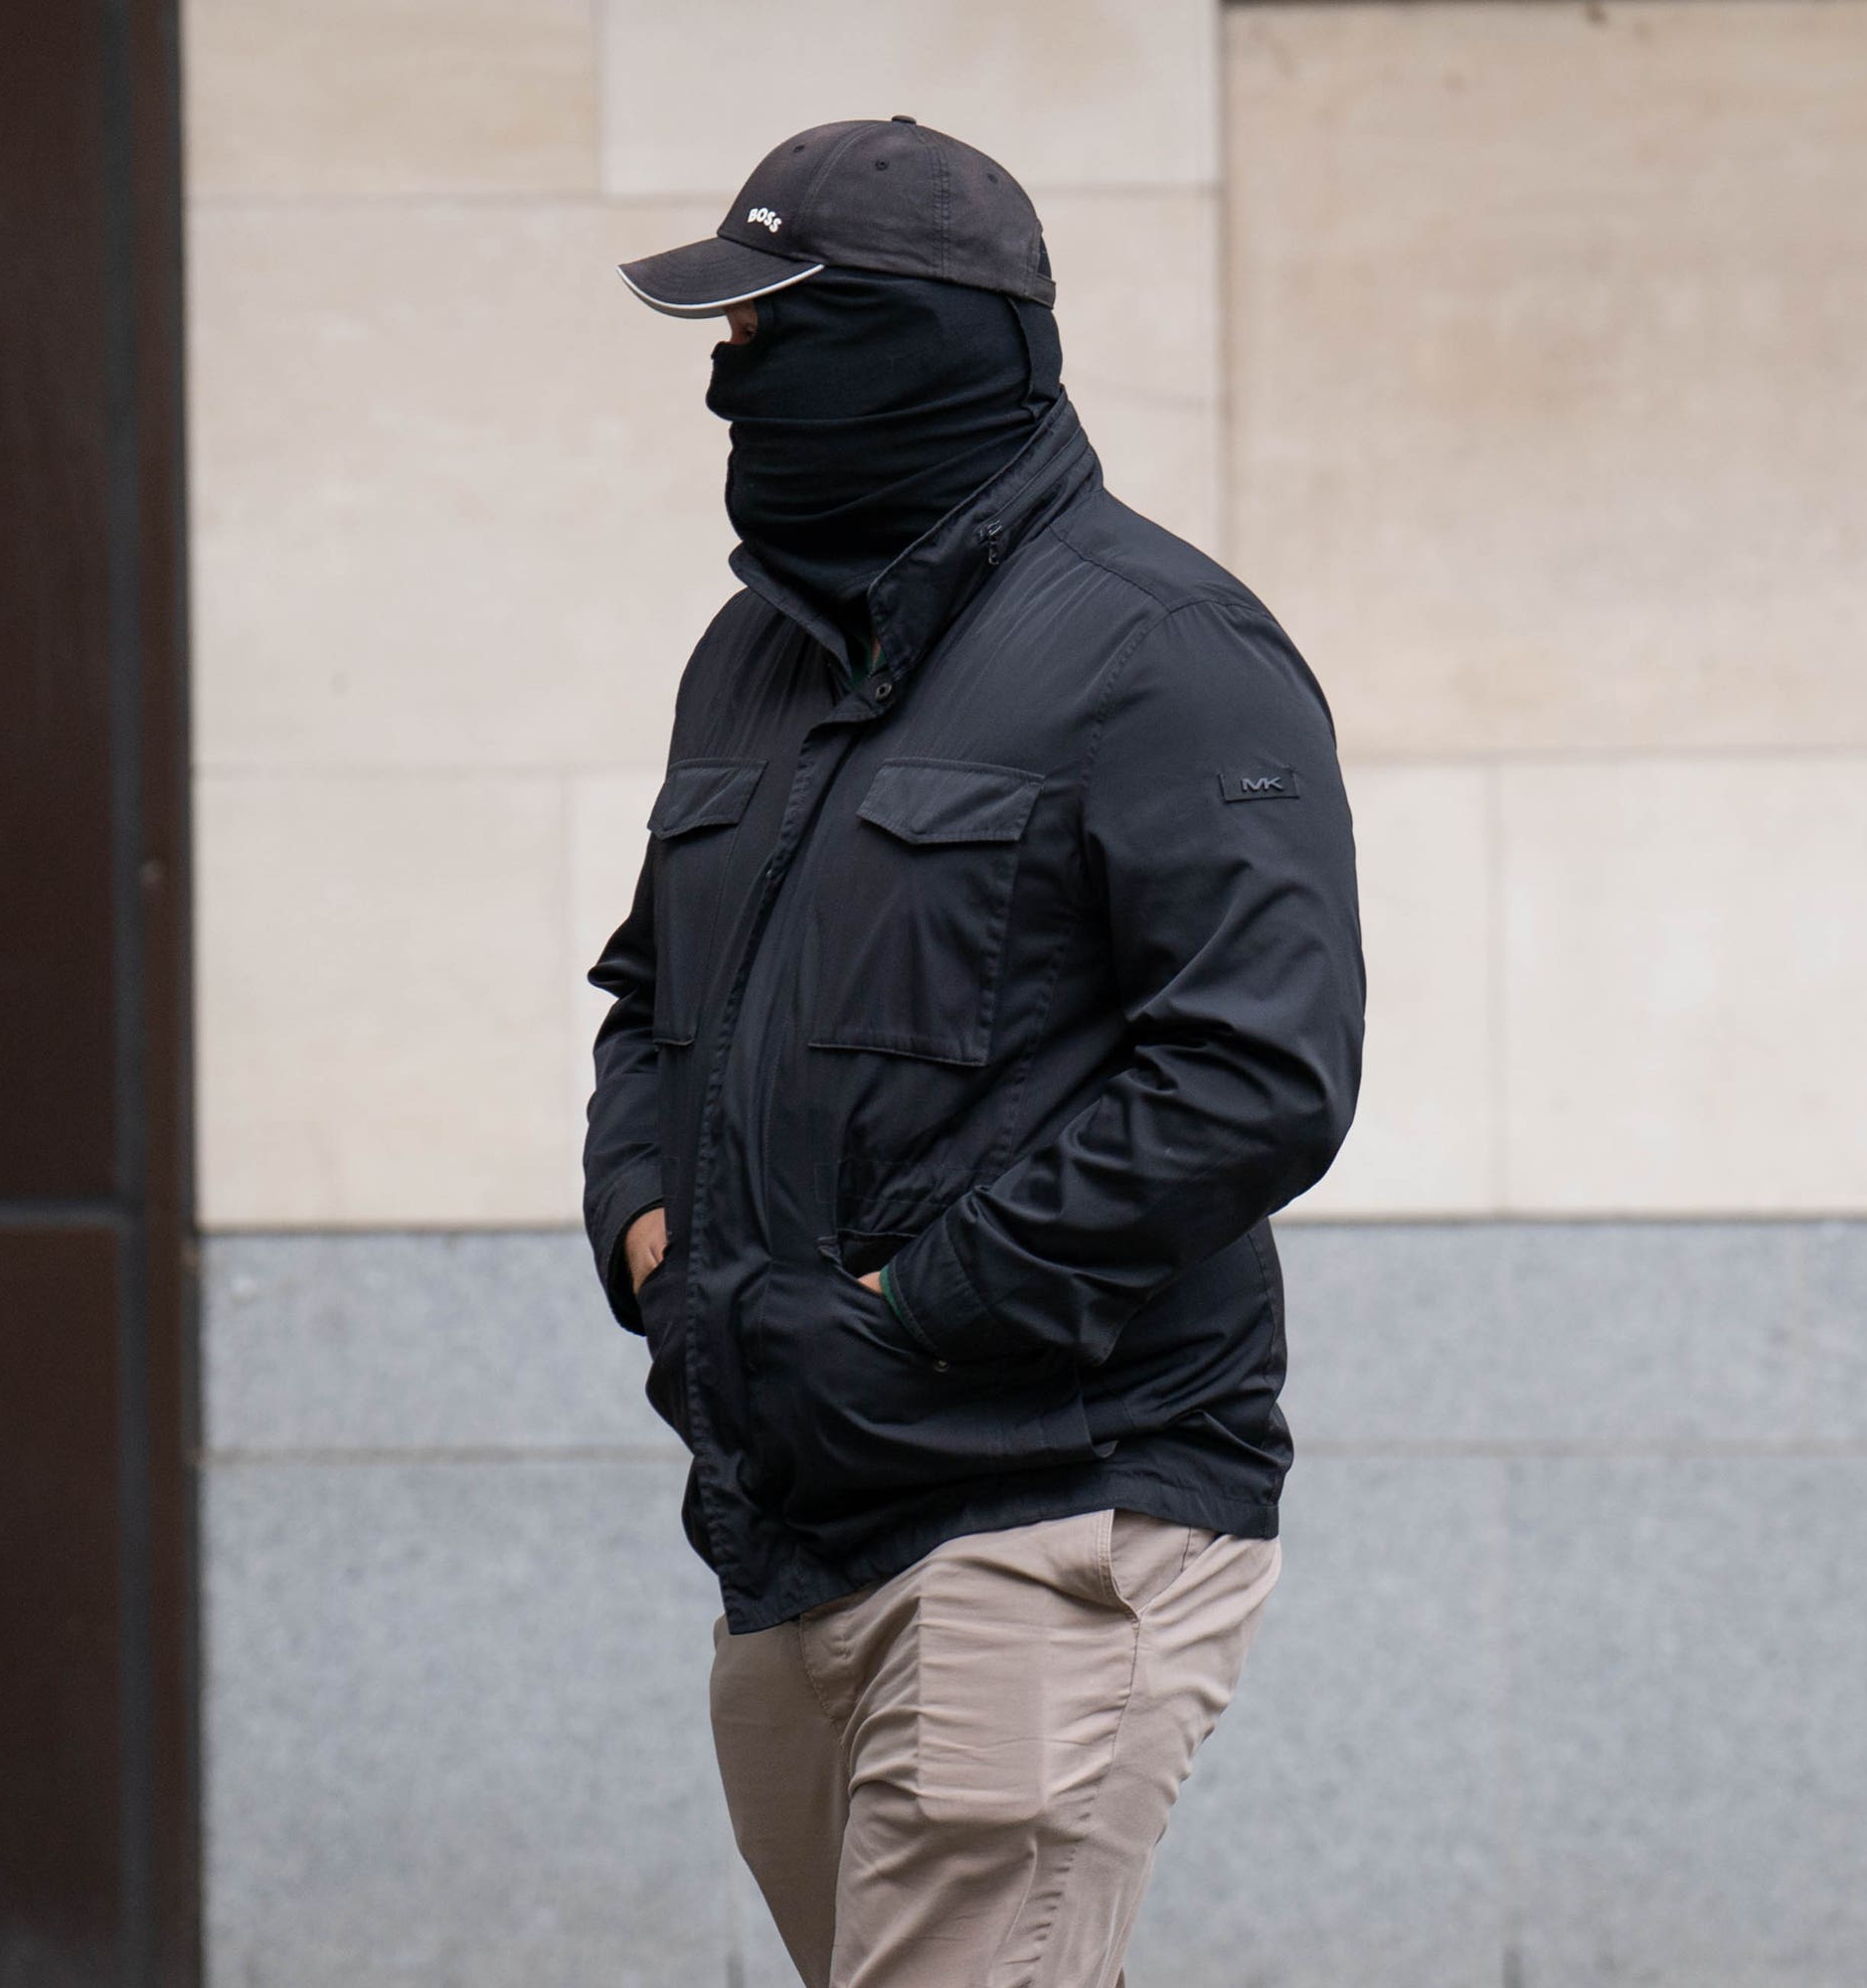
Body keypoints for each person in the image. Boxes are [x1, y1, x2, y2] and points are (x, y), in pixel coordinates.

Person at [582, 115, 1364, 1988]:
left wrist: (908, 1308)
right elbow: (645, 997)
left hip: (1053, 1505)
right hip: (792, 1525)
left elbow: (1256, 1072)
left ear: (914, 346)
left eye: (768, 334)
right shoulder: (750, 661)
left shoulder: (1168, 650)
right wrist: (652, 1245)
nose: (723, 384)